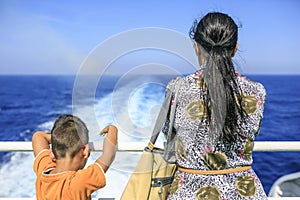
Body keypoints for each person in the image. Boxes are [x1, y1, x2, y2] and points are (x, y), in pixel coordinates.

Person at [164, 12, 268, 199]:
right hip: (244, 191)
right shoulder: (257, 91)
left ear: (197, 47)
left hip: (190, 192)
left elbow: (169, 135)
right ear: (235, 48)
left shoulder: (177, 88)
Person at [32, 114, 118, 200]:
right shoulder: (79, 182)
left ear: (52, 153)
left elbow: (38, 136)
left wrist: (62, 140)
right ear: (85, 151)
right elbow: (109, 155)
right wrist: (113, 129)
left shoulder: (43, 170)